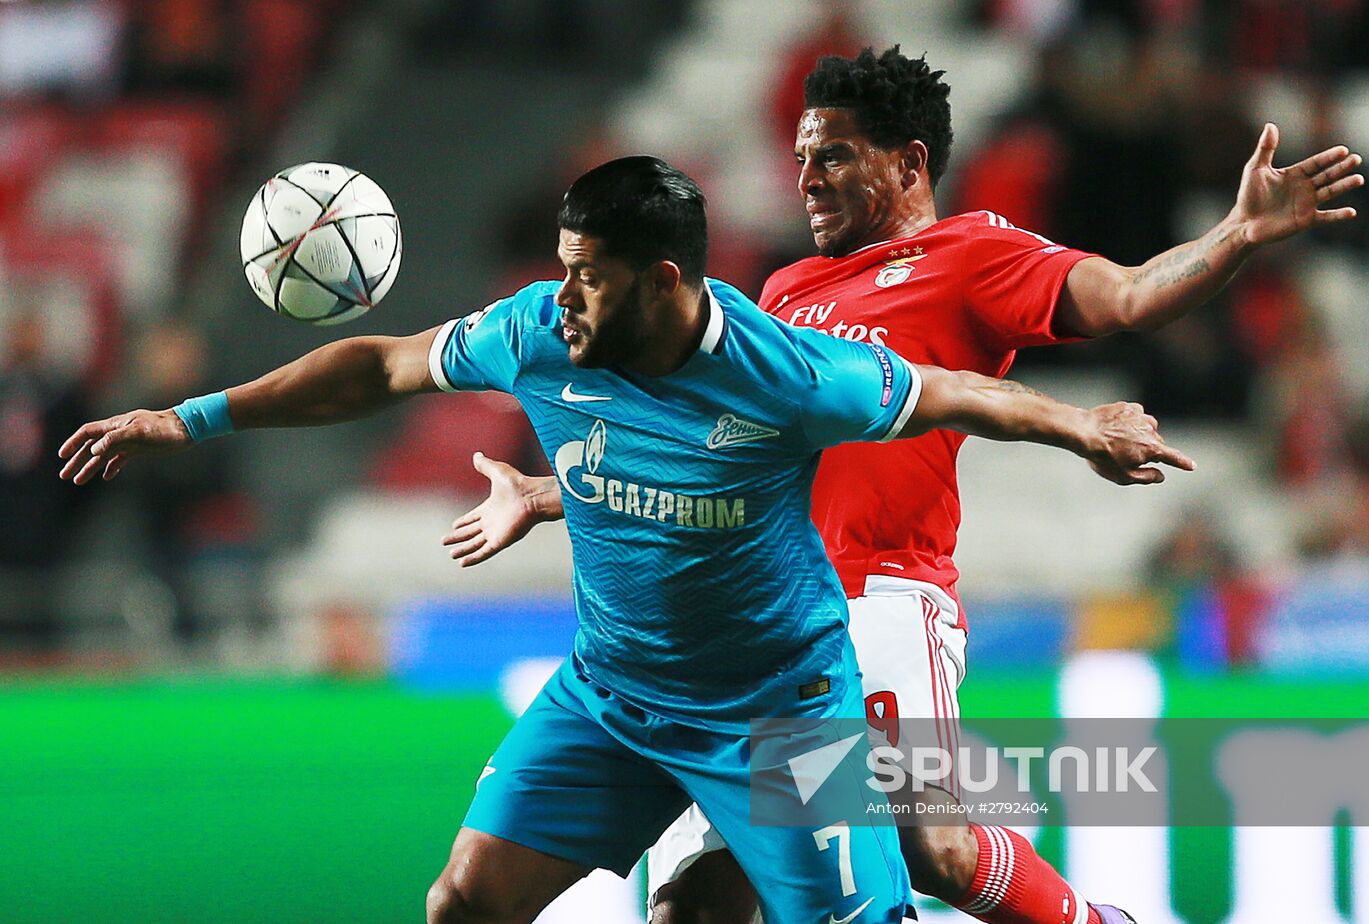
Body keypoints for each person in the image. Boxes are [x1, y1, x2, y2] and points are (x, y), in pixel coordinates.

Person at [57, 155, 1193, 924]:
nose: (559, 298)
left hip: (778, 714)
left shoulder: (787, 374)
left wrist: (1079, 424)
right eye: (558, 267)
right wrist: (187, 416)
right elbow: (382, 363)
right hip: (611, 695)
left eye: (583, 276)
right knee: (463, 901)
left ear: (663, 281)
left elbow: (950, 394)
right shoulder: (537, 333)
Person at [441, 48, 1364, 924]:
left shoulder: (971, 253)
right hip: (747, 627)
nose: (803, 178)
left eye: (832, 156)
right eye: (801, 157)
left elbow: (1125, 296)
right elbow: (722, 450)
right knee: (696, 905)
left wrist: (1239, 234)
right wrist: (553, 488)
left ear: (908, 161)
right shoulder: (786, 289)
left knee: (931, 842)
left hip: (881, 596)